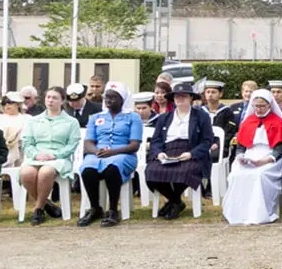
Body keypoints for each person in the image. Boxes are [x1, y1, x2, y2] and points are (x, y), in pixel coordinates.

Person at [77, 80, 143, 227]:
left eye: (113, 97)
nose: (109, 100)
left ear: (122, 99)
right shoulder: (96, 117)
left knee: (112, 168)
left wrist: (112, 152)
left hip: (124, 153)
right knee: (87, 169)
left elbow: (134, 145)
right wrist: (96, 151)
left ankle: (113, 209)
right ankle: (95, 208)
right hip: (98, 153)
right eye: (107, 97)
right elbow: (88, 143)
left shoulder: (133, 117)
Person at [145, 80, 214, 219]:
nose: (180, 99)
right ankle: (176, 201)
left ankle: (173, 202)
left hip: (190, 151)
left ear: (191, 98)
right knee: (151, 171)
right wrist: (159, 153)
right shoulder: (164, 118)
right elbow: (156, 140)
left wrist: (191, 154)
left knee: (186, 171)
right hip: (167, 151)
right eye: (177, 96)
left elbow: (207, 141)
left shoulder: (201, 116)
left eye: (184, 96)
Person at [224, 89, 282, 226]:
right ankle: (240, 213)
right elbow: (241, 145)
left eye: (262, 106)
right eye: (256, 106)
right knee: (236, 174)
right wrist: (241, 156)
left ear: (269, 105)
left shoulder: (277, 122)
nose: (258, 109)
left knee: (260, 175)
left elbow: (279, 150)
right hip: (249, 155)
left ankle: (260, 213)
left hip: (270, 157)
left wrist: (264, 161)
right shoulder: (248, 121)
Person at [20, 87, 80, 224]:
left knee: (45, 172)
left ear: (62, 101)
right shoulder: (33, 120)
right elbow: (27, 143)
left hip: (58, 158)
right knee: (26, 173)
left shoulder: (71, 122)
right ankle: (47, 204)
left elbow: (72, 145)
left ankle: (38, 209)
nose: (50, 100)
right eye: (48, 97)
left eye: (55, 98)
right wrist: (36, 155)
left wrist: (54, 155)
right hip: (36, 156)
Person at [0, 91, 27, 171]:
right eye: (4, 103)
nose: (7, 105)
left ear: (18, 104)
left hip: (21, 151)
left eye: (10, 102)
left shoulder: (27, 118)